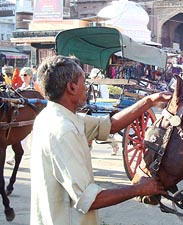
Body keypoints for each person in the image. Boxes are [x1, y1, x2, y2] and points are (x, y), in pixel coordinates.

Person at [30, 55, 170, 225]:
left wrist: (149, 101)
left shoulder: (52, 117)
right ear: (72, 87)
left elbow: (110, 125)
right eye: (84, 84)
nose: (86, 89)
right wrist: (140, 189)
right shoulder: (63, 130)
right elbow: (89, 200)